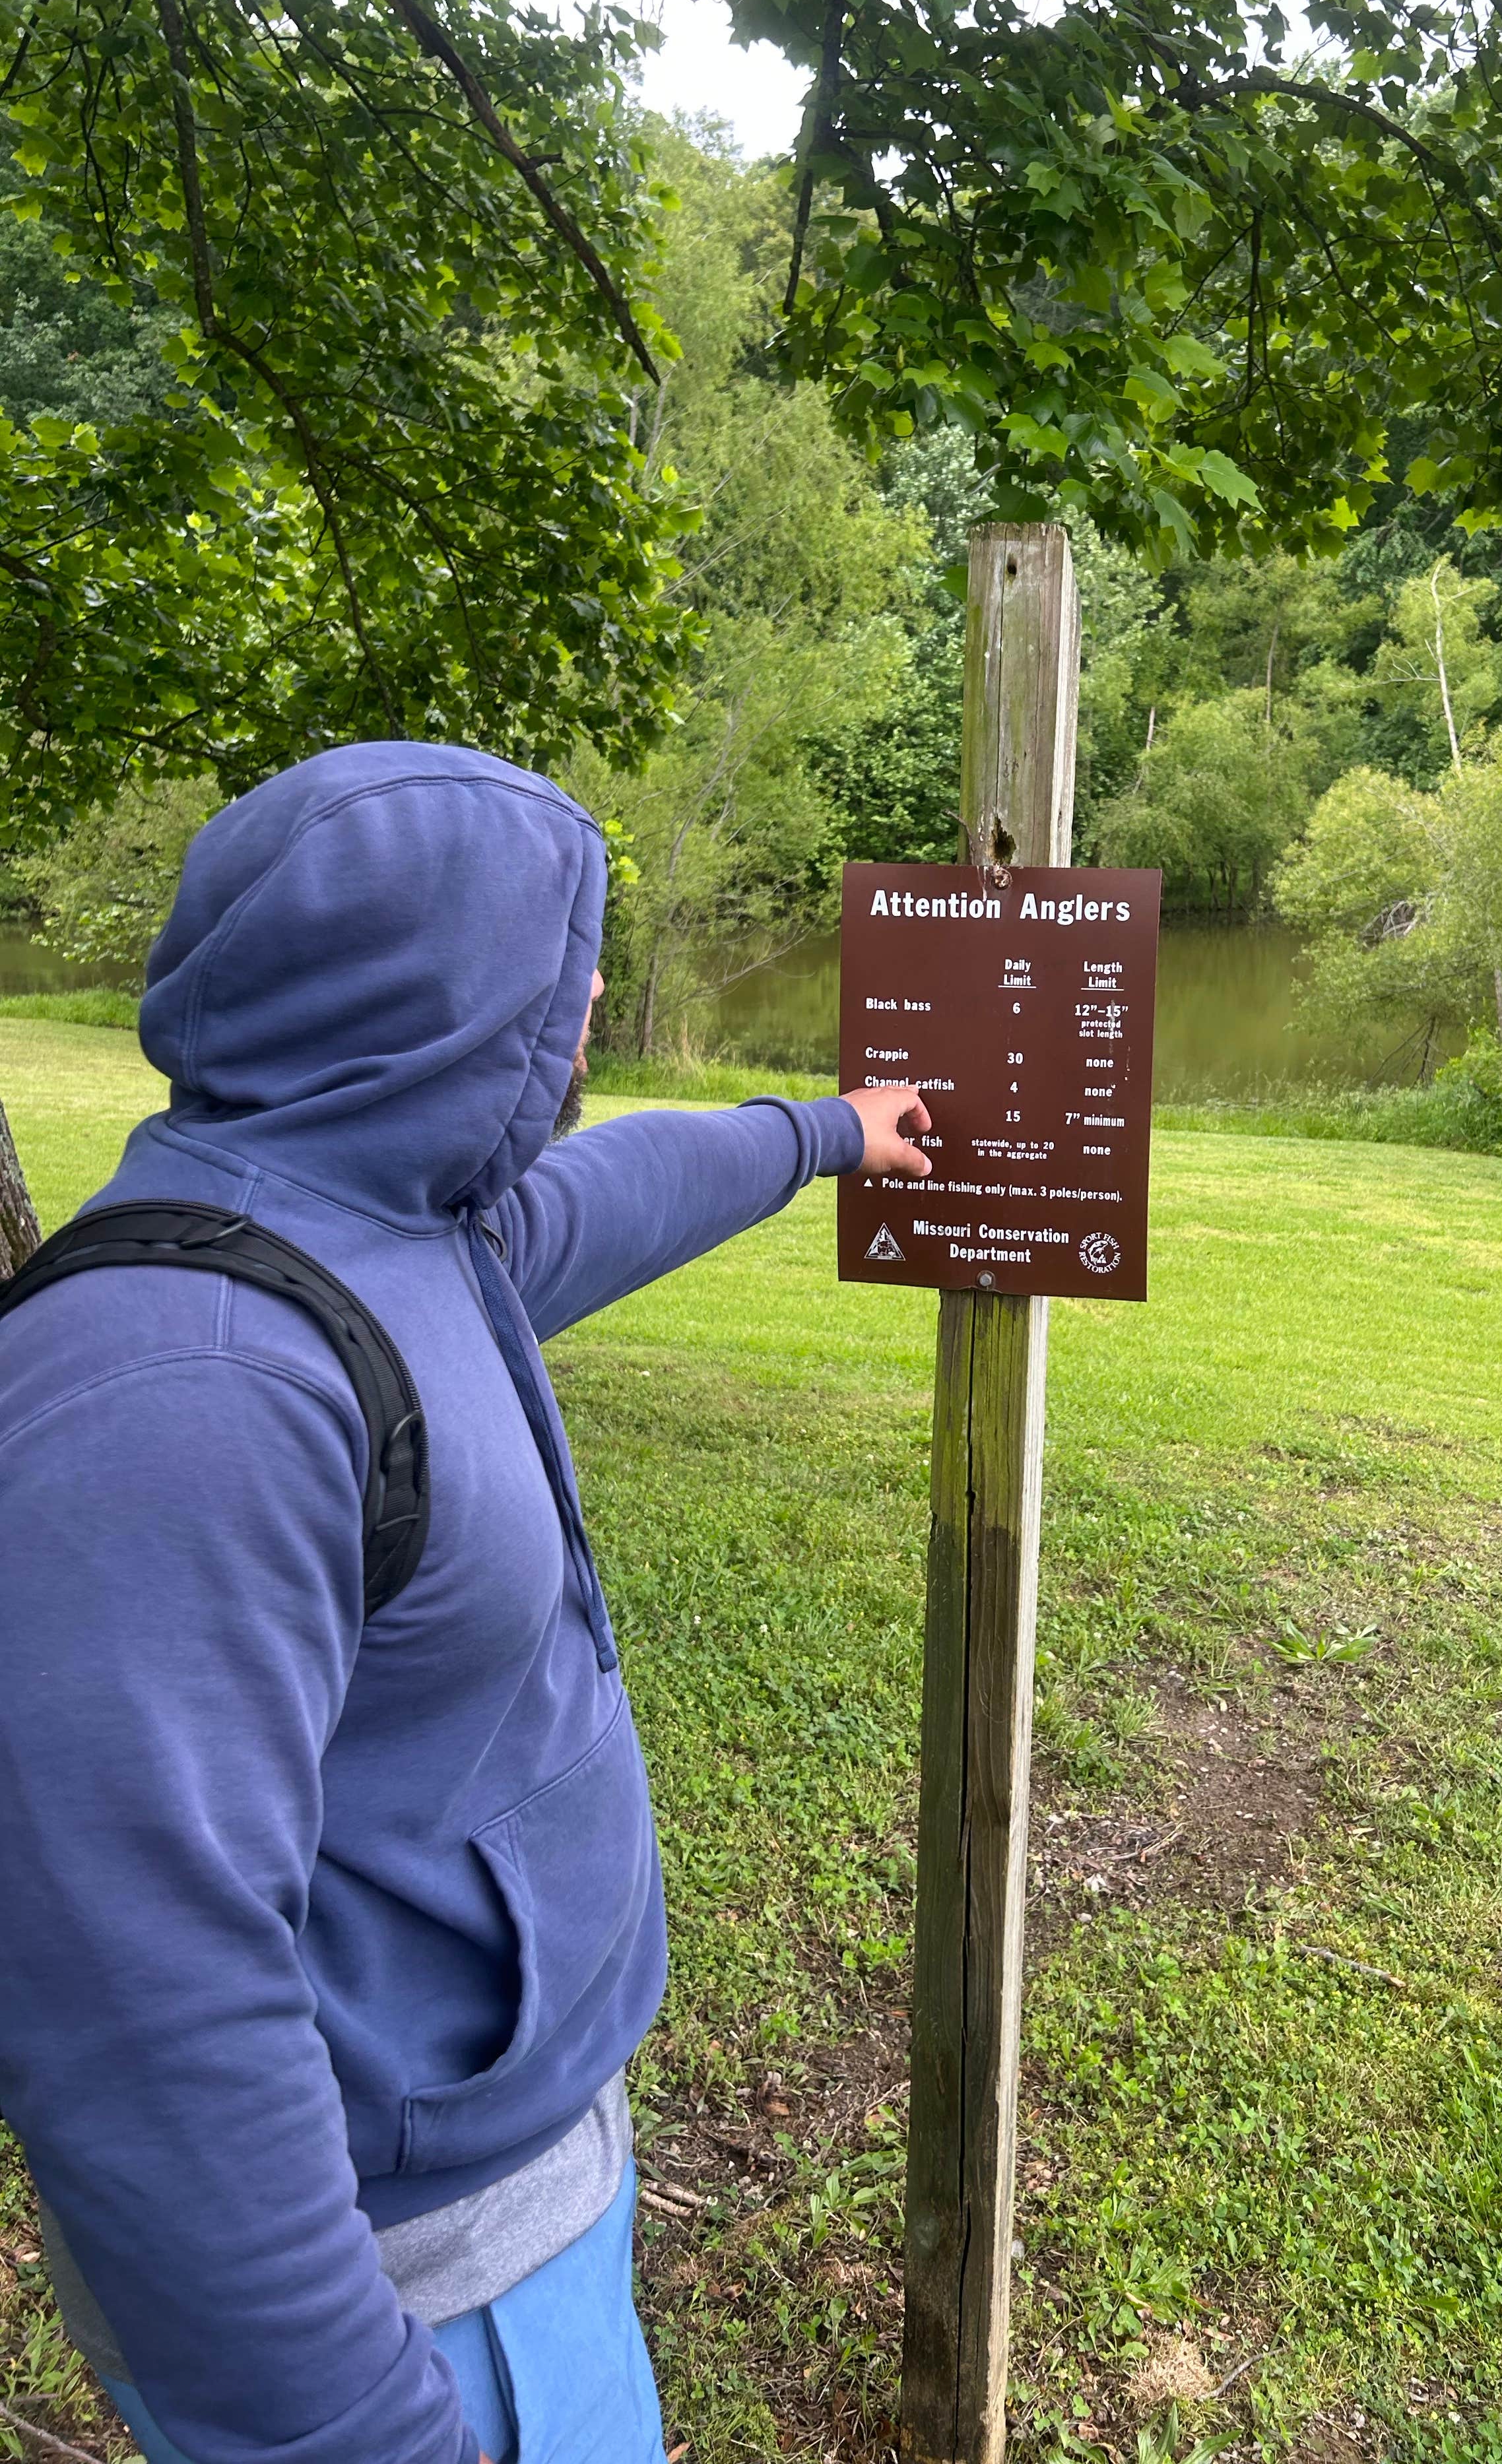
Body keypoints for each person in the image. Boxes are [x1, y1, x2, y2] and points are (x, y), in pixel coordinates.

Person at [0, 744, 934, 2464]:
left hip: (506, 2195)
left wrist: (829, 1135)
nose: (586, 993)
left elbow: (619, 1189)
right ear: (422, 993)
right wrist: (361, 2430)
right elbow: (137, 2025)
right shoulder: (183, 1386)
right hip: (412, 2291)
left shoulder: (387, 1232)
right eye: (556, 957)